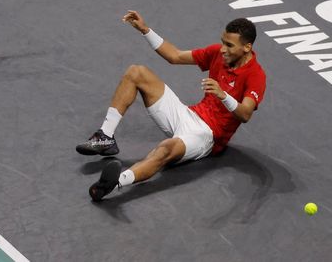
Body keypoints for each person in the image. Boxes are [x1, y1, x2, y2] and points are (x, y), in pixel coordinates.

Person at [76, 10, 267, 201]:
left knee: (165, 149)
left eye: (229, 45)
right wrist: (145, 30)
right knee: (137, 72)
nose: (223, 49)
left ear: (247, 47)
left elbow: (245, 114)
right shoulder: (219, 53)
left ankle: (114, 182)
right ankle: (105, 137)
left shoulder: (256, 75)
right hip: (188, 114)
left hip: (206, 136)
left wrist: (223, 95)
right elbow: (174, 56)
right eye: (223, 42)